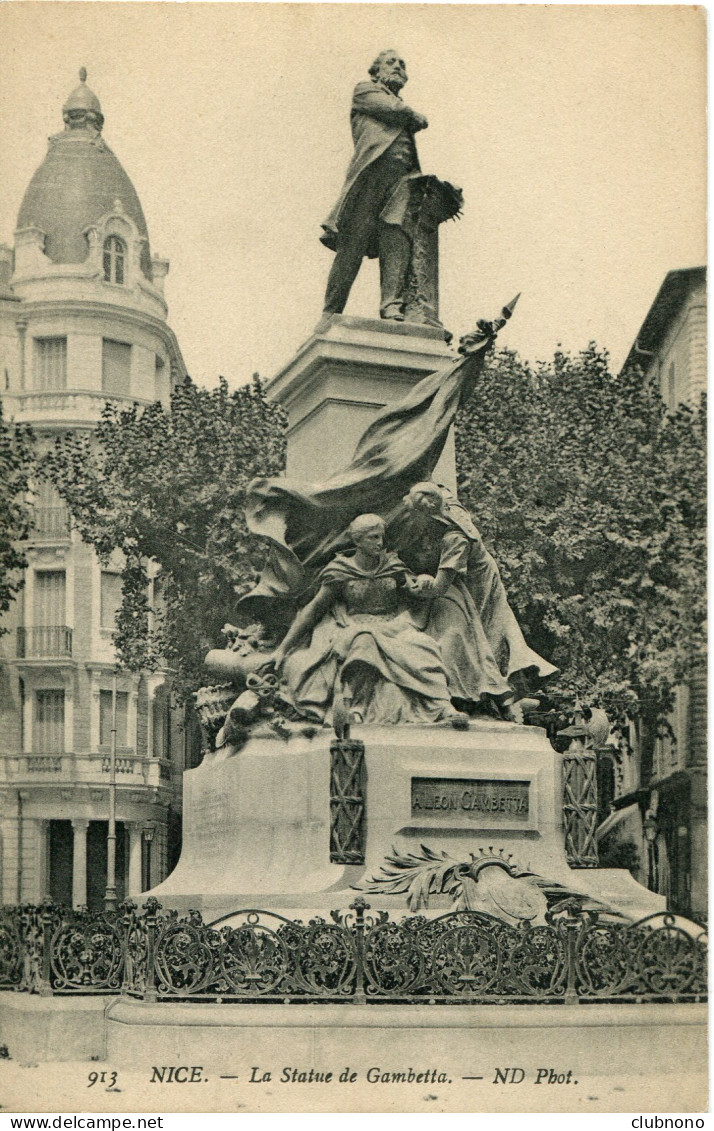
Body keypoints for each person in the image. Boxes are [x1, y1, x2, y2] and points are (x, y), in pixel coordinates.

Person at [270, 514, 468, 727]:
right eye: (373, 538)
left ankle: (442, 705)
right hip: (354, 625)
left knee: (424, 645)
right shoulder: (340, 571)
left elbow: (415, 588)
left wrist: (425, 582)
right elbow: (313, 610)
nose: (379, 543)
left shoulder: (392, 564)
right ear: (357, 541)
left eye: (381, 537)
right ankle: (356, 708)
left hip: (394, 626)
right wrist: (282, 649)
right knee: (364, 641)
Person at [394, 482, 558, 718]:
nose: (408, 515)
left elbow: (439, 587)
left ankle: (494, 696)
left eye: (414, 512)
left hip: (476, 580)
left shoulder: (454, 539)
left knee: (483, 634)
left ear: (429, 516)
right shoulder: (446, 502)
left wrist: (420, 583)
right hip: (461, 578)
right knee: (480, 634)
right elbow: (440, 490)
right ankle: (498, 697)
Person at [321, 49, 428, 320]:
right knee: (352, 245)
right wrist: (414, 116)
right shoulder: (365, 91)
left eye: (403, 64)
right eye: (391, 62)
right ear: (376, 70)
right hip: (371, 178)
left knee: (396, 238)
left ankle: (391, 305)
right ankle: (331, 311)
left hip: (402, 178)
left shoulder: (394, 102)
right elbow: (396, 110)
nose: (398, 67)